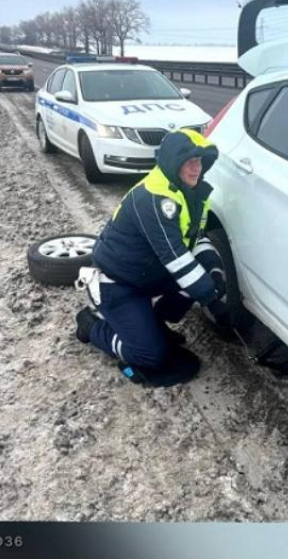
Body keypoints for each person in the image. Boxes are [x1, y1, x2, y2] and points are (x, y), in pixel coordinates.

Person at [75, 128, 230, 385]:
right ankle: (91, 326)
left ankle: (155, 322)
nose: (196, 169)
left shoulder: (189, 193)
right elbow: (177, 258)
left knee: (202, 274)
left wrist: (214, 272)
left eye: (200, 161)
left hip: (147, 275)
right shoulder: (154, 198)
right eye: (189, 161)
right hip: (117, 285)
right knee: (149, 356)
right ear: (173, 162)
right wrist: (211, 299)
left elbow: (197, 239)